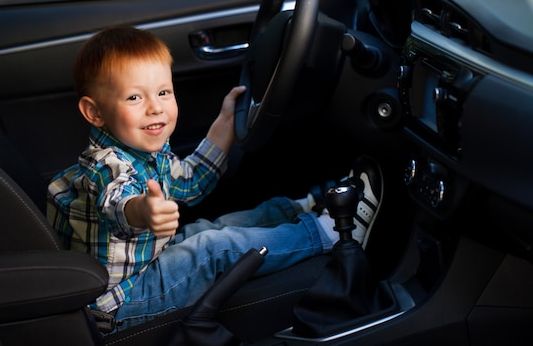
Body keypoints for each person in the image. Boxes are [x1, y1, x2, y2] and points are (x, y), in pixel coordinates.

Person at [46, 25, 383, 333]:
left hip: (144, 264)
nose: (155, 108)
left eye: (164, 92)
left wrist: (224, 125)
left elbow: (190, 181)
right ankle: (332, 233)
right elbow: (117, 203)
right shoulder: (105, 167)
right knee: (212, 248)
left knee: (214, 227)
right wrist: (144, 212)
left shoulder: (146, 150)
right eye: (134, 97)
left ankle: (305, 208)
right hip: (122, 303)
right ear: (95, 112)